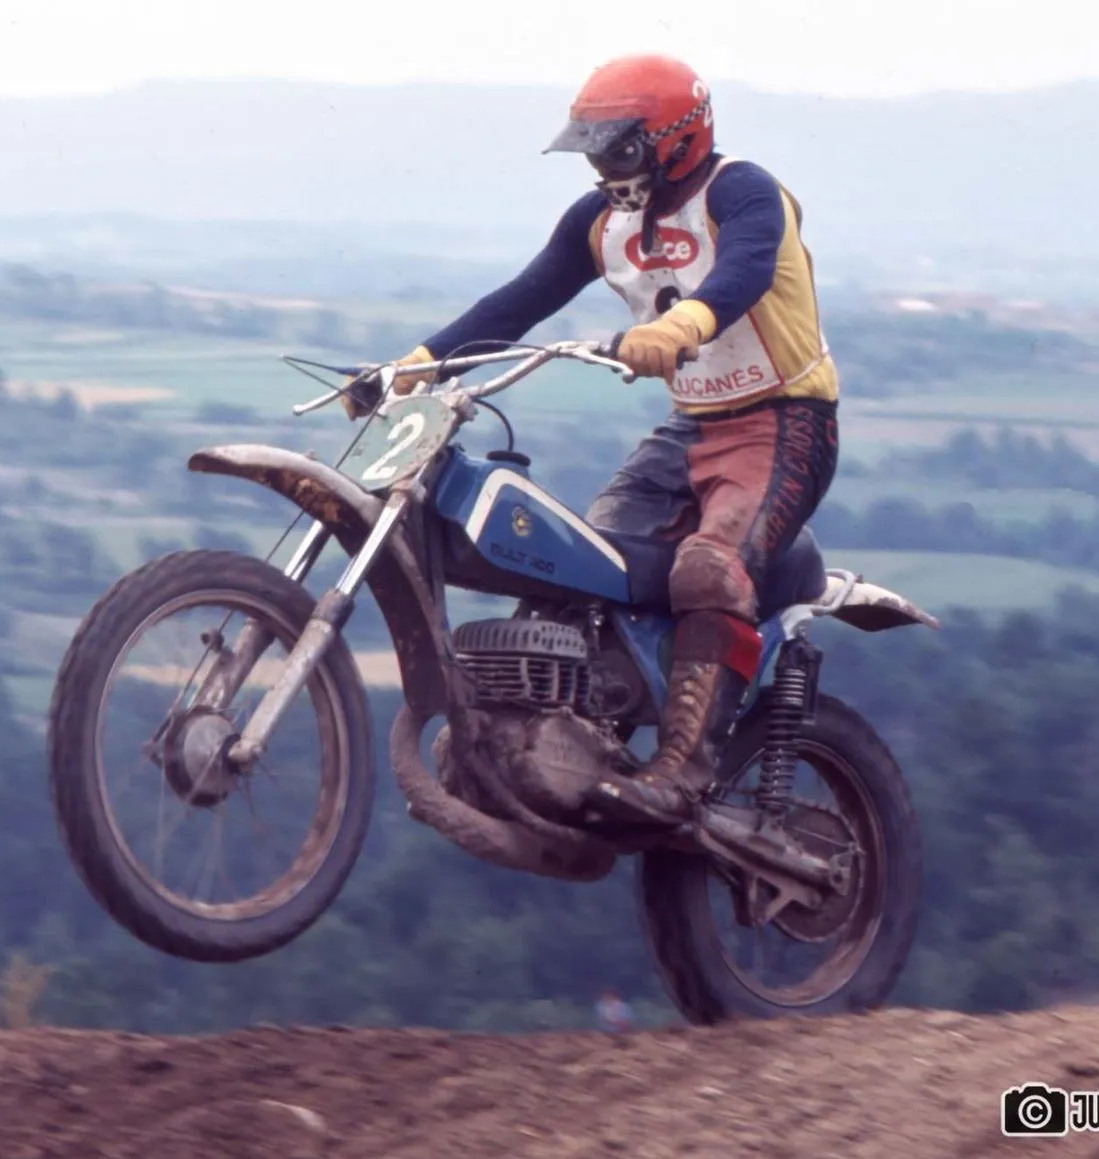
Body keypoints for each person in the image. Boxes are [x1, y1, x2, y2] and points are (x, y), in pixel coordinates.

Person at [346, 53, 840, 828]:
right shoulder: (600, 221)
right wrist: (415, 365)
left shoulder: (742, 191)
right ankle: (566, 744)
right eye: (595, 152)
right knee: (580, 564)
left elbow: (743, 271)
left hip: (784, 422)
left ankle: (682, 773)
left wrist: (679, 326)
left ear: (675, 139)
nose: (605, 168)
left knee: (710, 568)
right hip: (690, 428)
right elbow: (521, 300)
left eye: (619, 149)